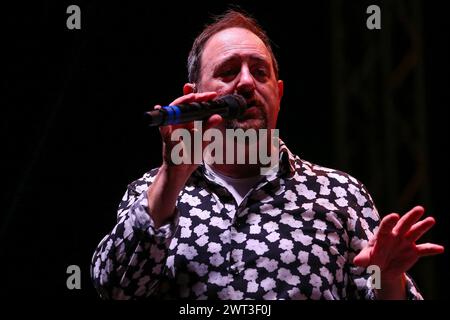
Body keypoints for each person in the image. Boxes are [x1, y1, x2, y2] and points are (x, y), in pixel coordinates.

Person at [91, 10, 444, 300]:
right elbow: (114, 289)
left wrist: (387, 280)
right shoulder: (152, 191)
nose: (246, 83)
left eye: (259, 72)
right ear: (193, 94)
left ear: (278, 92)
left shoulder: (339, 194)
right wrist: (172, 177)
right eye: (228, 71)